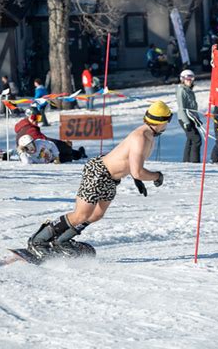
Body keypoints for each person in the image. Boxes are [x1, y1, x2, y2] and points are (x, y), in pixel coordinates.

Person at [25, 101, 172, 259]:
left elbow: (131, 162)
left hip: (110, 178)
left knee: (96, 214)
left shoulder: (147, 135)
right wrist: (156, 176)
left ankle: (61, 241)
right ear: (163, 122)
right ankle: (38, 240)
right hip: (99, 172)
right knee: (81, 215)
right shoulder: (141, 137)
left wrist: (137, 177)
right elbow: (137, 171)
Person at [14, 106, 87, 162]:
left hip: (34, 151)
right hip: (35, 155)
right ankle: (78, 154)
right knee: (63, 148)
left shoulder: (23, 126)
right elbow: (46, 141)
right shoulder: (30, 129)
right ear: (28, 117)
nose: (36, 120)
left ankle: (77, 154)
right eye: (34, 117)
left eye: (38, 118)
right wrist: (63, 144)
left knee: (60, 149)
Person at [176, 69, 202, 163]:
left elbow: (193, 107)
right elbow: (181, 108)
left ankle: (187, 161)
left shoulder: (189, 91)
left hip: (191, 118)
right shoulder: (182, 91)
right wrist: (186, 122)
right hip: (184, 119)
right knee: (197, 139)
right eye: (187, 79)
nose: (190, 81)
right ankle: (195, 162)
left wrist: (197, 119)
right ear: (182, 79)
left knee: (191, 139)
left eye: (191, 79)